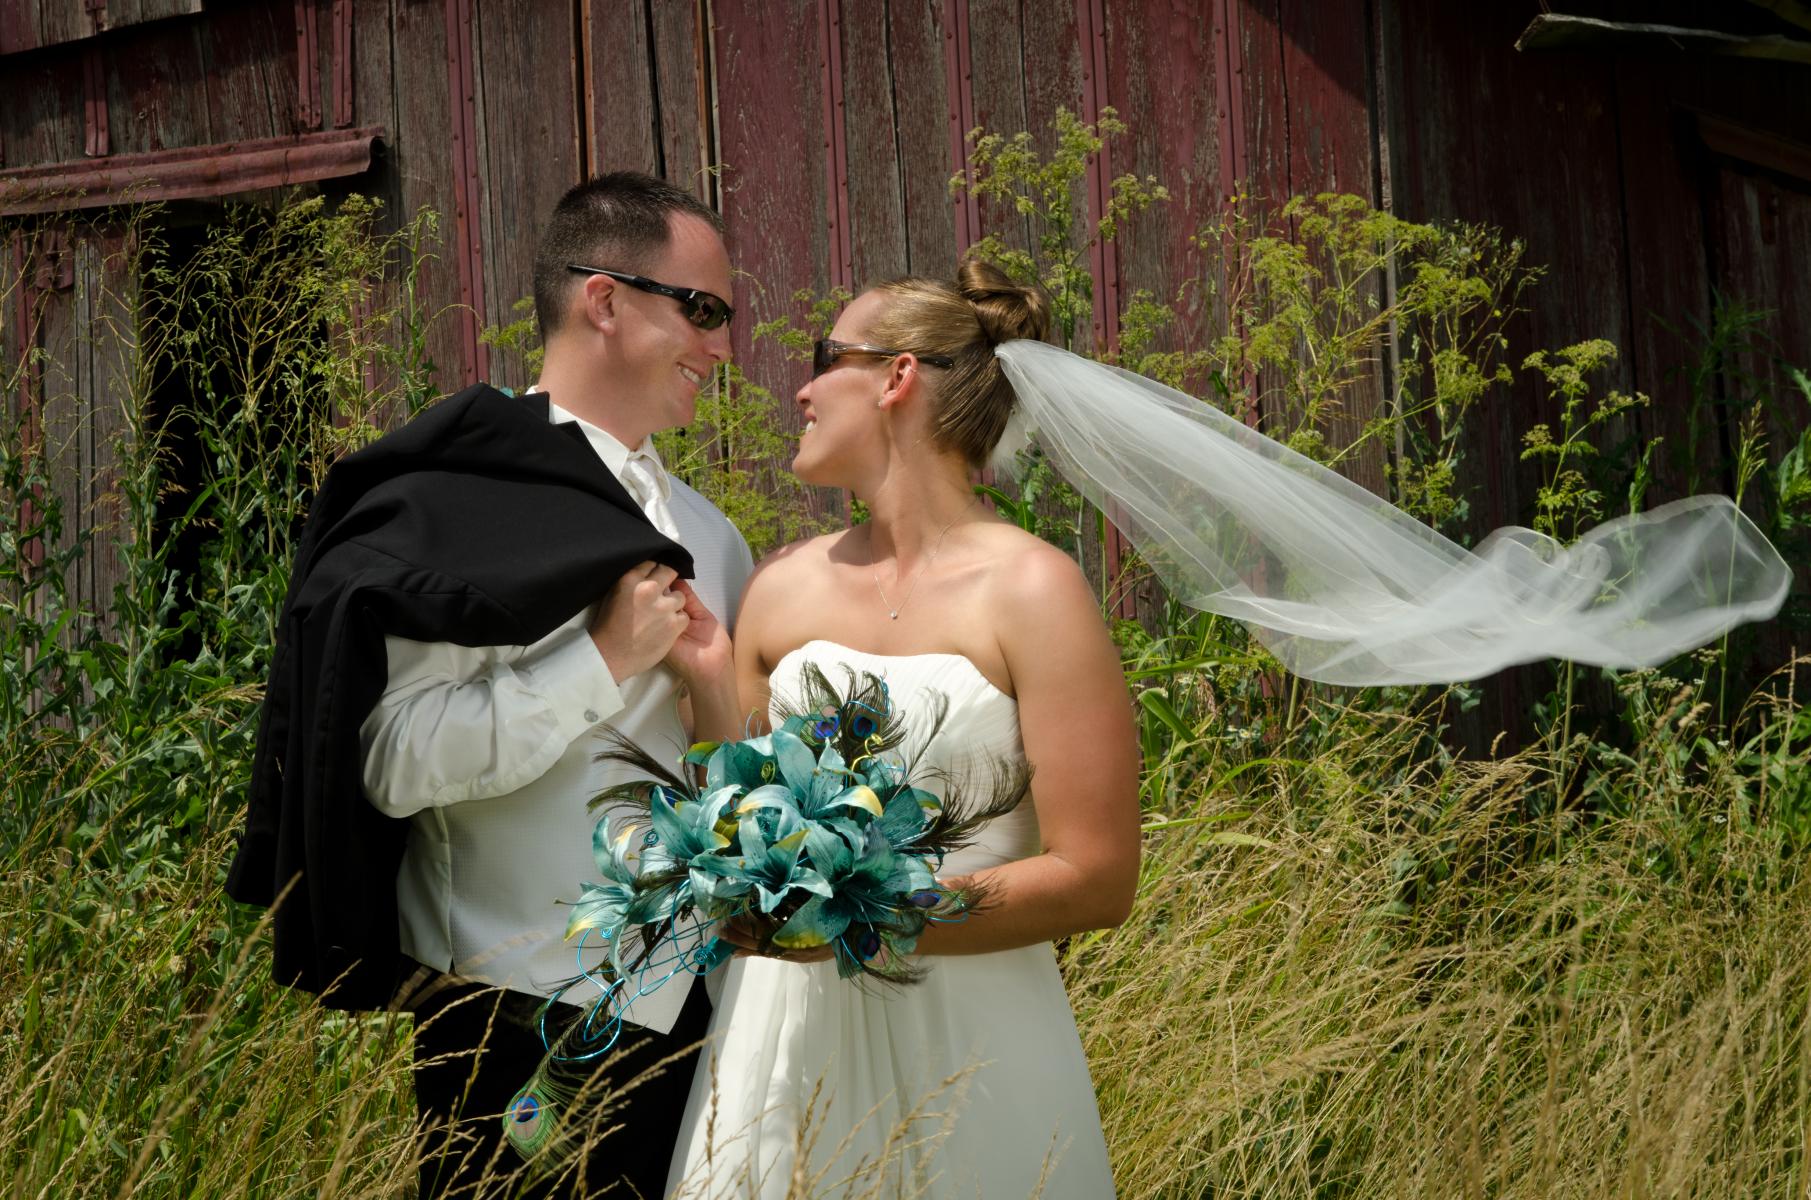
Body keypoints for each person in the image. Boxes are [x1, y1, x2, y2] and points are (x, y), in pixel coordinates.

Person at [229, 170, 751, 1199]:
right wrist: (598, 660)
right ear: (603, 299)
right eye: (702, 310)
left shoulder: (710, 535)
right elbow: (391, 762)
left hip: (703, 1017)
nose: (723, 348)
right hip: (516, 1025)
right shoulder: (457, 505)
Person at [666, 260, 1139, 1197]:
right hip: (779, 1050)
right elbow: (734, 814)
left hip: (976, 1052)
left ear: (897, 376)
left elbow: (1097, 877)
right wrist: (710, 685)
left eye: (823, 357)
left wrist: (867, 915)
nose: (798, 387)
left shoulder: (1032, 589)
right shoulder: (781, 586)